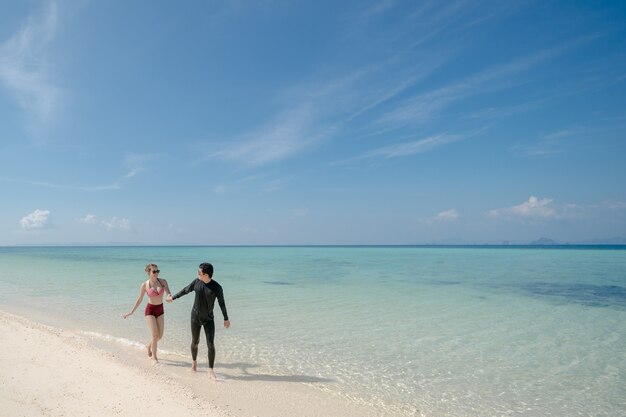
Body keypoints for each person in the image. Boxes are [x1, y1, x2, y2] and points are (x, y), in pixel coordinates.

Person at [167, 262, 230, 380]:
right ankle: (194, 362)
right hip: (195, 317)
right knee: (195, 342)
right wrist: (173, 297)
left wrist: (226, 318)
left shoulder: (217, 287)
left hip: (208, 319)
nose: (197, 274)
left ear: (206, 275)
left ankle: (210, 370)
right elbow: (185, 290)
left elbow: (222, 303)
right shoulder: (196, 282)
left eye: (199, 273)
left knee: (210, 344)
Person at [122, 263, 172, 364]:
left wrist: (169, 297)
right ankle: (154, 357)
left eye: (157, 271)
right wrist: (131, 312)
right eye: (154, 271)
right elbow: (140, 299)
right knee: (154, 335)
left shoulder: (163, 281)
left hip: (160, 309)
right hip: (150, 310)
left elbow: (168, 293)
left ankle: (148, 346)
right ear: (148, 272)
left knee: (160, 336)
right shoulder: (145, 285)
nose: (156, 273)